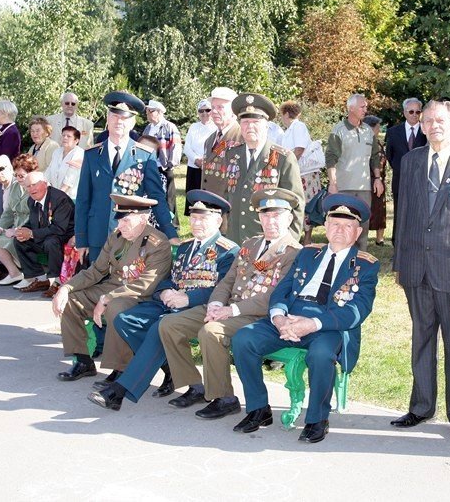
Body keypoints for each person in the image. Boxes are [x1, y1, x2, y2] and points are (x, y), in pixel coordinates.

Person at [231, 194, 379, 443]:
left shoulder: (365, 265)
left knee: (321, 355)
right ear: (326, 226)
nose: (339, 230)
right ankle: (258, 409)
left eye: (347, 225)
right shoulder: (307, 253)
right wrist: (279, 318)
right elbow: (282, 290)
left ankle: (317, 419)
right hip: (289, 317)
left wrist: (311, 324)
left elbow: (357, 310)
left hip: (328, 325)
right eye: (334, 224)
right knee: (244, 338)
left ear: (358, 231)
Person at [390, 99, 450, 440]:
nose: (434, 125)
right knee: (422, 340)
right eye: (428, 119)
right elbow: (402, 214)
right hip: (416, 266)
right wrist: (399, 261)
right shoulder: (411, 161)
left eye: (440, 120)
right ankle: (420, 407)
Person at [87, 190, 238, 411]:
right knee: (124, 319)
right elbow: (167, 278)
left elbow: (223, 289)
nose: (196, 223)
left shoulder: (228, 251)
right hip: (170, 304)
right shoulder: (186, 247)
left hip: (200, 307)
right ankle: (184, 378)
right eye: (193, 217)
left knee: (160, 328)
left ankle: (119, 391)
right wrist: (166, 292)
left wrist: (187, 298)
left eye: (202, 218)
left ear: (218, 220)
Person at [158, 188, 302, 420]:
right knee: (170, 324)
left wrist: (230, 310)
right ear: (259, 217)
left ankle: (224, 398)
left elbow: (273, 297)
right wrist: (215, 303)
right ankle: (195, 385)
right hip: (228, 307)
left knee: (211, 332)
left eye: (276, 215)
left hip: (256, 314)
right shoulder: (250, 244)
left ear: (289, 218)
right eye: (265, 215)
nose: (270, 221)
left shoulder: (294, 253)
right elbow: (227, 281)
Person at [51, 194, 173, 383]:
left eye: (125, 220)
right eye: (119, 220)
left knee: (114, 307)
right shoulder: (117, 237)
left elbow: (146, 284)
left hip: (140, 296)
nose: (119, 225)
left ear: (143, 218)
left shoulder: (158, 243)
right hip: (112, 288)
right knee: (72, 302)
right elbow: (96, 271)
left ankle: (121, 368)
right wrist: (65, 288)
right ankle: (83, 361)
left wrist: (107, 298)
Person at [74, 91, 179, 263]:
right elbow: (83, 200)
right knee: (95, 284)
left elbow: (157, 197)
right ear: (107, 119)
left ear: (133, 122)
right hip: (97, 236)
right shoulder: (92, 155)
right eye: (114, 116)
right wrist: (81, 239)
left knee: (125, 285)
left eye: (125, 118)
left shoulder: (144, 156)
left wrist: (170, 231)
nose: (119, 121)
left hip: (130, 236)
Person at [223, 93, 305, 245]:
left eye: (255, 122)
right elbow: (227, 196)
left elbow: (296, 203)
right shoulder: (232, 154)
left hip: (266, 242)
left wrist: (288, 243)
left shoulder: (283, 158)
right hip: (234, 239)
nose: (250, 126)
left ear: (267, 126)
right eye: (245, 122)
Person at [325, 93, 383, 251]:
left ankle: (360, 260)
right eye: (362, 106)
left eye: (366, 106)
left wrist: (377, 178)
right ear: (351, 108)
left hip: (364, 188)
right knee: (343, 225)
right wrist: (333, 183)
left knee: (362, 227)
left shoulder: (368, 131)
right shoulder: (339, 131)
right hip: (344, 188)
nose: (366, 109)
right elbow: (331, 158)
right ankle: (340, 257)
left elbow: (375, 157)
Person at [12, 172, 75, 293]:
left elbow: (59, 229)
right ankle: (40, 279)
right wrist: (22, 231)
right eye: (28, 186)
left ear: (45, 184)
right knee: (19, 240)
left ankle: (57, 281)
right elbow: (33, 222)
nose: (31, 189)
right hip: (46, 233)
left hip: (65, 234)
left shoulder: (59, 199)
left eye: (34, 185)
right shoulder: (31, 201)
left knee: (51, 242)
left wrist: (31, 233)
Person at [0, 154, 39, 286]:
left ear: (30, 173)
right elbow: (9, 212)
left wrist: (17, 230)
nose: (18, 179)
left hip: (34, 228)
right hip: (16, 226)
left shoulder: (38, 187)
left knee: (18, 238)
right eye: (16, 175)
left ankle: (31, 277)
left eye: (21, 176)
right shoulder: (16, 186)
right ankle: (14, 273)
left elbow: (36, 214)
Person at [385, 97, 427, 243]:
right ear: (404, 112)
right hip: (400, 180)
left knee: (419, 214)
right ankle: (397, 244)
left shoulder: (426, 132)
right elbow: (389, 155)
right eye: (411, 111)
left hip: (422, 180)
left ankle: (417, 243)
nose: (414, 115)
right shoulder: (393, 132)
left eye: (418, 112)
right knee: (399, 212)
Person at [280, 101, 319, 245]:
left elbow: (299, 149)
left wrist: (289, 166)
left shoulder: (298, 126)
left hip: (304, 173)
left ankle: (307, 237)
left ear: (285, 114)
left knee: (306, 203)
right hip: (297, 172)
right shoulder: (289, 130)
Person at [142, 99, 182, 229]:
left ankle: (172, 224)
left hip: (164, 166)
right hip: (150, 165)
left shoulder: (169, 126)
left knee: (169, 196)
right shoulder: (148, 128)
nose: (147, 113)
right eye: (147, 110)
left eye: (150, 110)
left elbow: (176, 146)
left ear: (159, 112)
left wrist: (170, 163)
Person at [200, 87, 241, 199]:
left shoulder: (241, 137)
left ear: (233, 111)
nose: (214, 111)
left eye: (220, 107)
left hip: (229, 208)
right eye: (212, 107)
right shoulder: (210, 139)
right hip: (209, 205)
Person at [182, 99, 218, 215]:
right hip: (194, 167)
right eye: (201, 111)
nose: (204, 113)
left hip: (210, 168)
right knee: (194, 196)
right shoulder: (193, 127)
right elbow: (187, 147)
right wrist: (196, 159)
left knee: (208, 198)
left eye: (207, 110)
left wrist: (206, 161)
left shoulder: (216, 128)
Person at [364, 115, 388, 245]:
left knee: (380, 208)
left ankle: (380, 238)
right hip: (369, 179)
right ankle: (363, 236)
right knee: (369, 208)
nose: (379, 129)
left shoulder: (377, 141)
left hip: (379, 179)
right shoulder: (365, 142)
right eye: (377, 127)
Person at [44, 126, 84, 200]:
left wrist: (58, 196)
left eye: (68, 136)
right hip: (54, 194)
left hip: (71, 197)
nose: (65, 138)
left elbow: (70, 178)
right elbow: (49, 171)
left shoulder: (79, 153)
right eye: (63, 135)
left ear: (76, 140)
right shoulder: (57, 151)